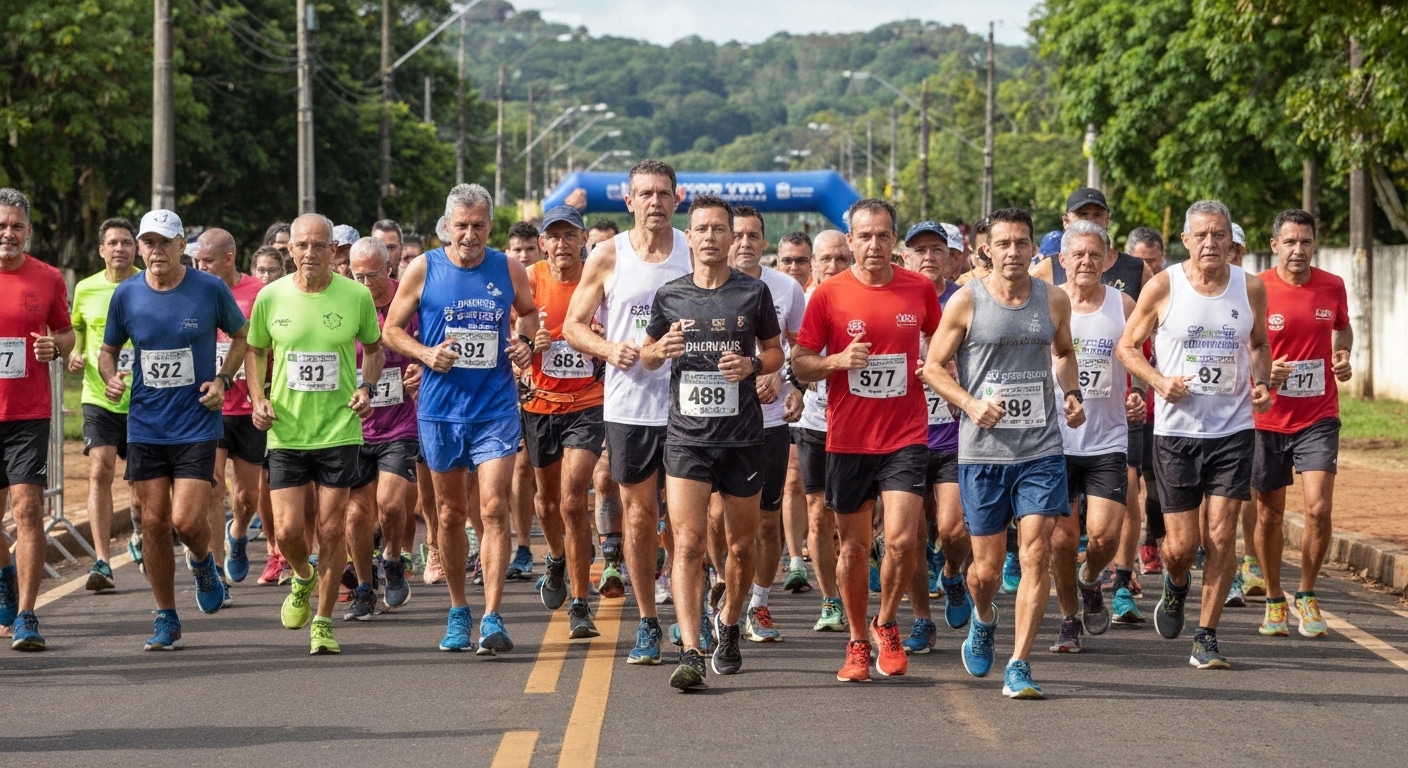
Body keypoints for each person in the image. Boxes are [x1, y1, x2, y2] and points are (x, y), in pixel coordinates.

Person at [922, 207, 1085, 699]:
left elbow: (1063, 353)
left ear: (1034, 247)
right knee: (987, 572)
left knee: (1036, 552)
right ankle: (985, 615)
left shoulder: (1053, 300)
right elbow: (932, 367)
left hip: (1041, 449)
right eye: (1004, 243)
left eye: (1022, 243)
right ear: (985, 250)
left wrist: (1072, 395)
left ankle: (1019, 663)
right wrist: (971, 403)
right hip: (983, 453)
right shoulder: (967, 302)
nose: (1013, 252)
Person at [1116, 199, 1278, 670]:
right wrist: (1159, 381)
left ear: (1232, 241)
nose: (1211, 243)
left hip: (1233, 431)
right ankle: (1176, 581)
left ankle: (1206, 636)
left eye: (1219, 234)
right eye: (1201, 235)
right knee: (1182, 546)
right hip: (1176, 434)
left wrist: (1263, 382)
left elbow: (1260, 344)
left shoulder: (1250, 288)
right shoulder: (1164, 286)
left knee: (1222, 537)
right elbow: (1128, 347)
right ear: (1185, 241)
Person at [383, 184, 536, 655]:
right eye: (461, 226)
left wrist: (525, 343)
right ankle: (457, 610)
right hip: (440, 410)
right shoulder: (424, 267)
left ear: (490, 227)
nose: (469, 235)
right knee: (448, 514)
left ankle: (492, 615)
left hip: (493, 407)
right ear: (447, 226)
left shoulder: (507, 267)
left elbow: (528, 314)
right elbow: (390, 329)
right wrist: (426, 353)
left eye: (478, 226)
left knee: (492, 509)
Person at [794, 198, 942, 683]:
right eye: (864, 236)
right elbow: (800, 362)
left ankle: (887, 623)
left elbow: (944, 346)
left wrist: (941, 368)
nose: (874, 244)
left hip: (905, 435)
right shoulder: (827, 295)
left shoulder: (920, 290)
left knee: (901, 540)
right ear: (850, 239)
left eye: (883, 235)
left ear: (893, 240)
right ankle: (858, 639)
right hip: (849, 438)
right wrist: (836, 362)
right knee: (854, 549)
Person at [640, 194, 783, 690]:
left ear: (730, 237)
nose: (710, 238)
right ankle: (691, 650)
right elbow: (649, 356)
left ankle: (727, 627)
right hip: (687, 438)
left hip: (742, 438)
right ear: (690, 235)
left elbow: (774, 352)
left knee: (741, 548)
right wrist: (660, 347)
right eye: (701, 229)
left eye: (719, 229)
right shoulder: (670, 294)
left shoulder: (753, 293)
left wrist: (752, 366)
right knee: (688, 543)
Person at [562, 159, 692, 665]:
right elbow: (573, 325)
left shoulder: (692, 249)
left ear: (676, 199)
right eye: (646, 194)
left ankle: (689, 614)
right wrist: (606, 347)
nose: (655, 202)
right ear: (629, 200)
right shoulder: (606, 254)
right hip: (630, 404)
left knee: (687, 522)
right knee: (639, 516)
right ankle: (647, 621)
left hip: (688, 404)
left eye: (664, 193)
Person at [101, 209, 249, 650]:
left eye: (164, 242)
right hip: (146, 423)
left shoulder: (208, 289)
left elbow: (242, 338)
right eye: (148, 242)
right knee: (152, 522)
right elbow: (108, 350)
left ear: (182, 244)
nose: (155, 250)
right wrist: (110, 376)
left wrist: (223, 379)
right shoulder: (126, 295)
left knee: (186, 521)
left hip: (196, 423)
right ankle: (166, 615)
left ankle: (203, 561)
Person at [245, 213, 384, 655]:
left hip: (339, 429)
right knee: (287, 530)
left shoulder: (356, 295)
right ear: (291, 250)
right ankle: (302, 576)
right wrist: (258, 398)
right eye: (302, 245)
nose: (309, 254)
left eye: (319, 246)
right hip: (286, 430)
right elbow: (254, 350)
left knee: (330, 528)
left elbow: (376, 349)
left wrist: (366, 386)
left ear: (332, 251)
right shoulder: (270, 297)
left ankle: (322, 622)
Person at [1045, 222, 1146, 653]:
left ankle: (1090, 581)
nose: (1086, 262)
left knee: (1105, 536)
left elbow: (1140, 353)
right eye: (1077, 255)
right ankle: (1069, 620)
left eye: (1094, 254)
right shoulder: (1046, 303)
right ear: (1062, 260)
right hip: (1054, 441)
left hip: (1107, 439)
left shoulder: (1123, 304)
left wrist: (1139, 391)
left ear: (1107, 260)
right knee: (1062, 539)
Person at [1253, 209, 1350, 638]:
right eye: (1289, 242)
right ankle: (1275, 599)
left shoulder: (1332, 286)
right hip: (1267, 417)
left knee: (1318, 508)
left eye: (1305, 242)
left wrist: (1343, 356)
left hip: (1319, 414)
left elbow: (1342, 331)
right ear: (1275, 245)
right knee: (1269, 515)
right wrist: (1264, 374)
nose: (1298, 250)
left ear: (1315, 244)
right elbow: (1243, 345)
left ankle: (1307, 593)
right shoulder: (1255, 288)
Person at [518, 206, 606, 638]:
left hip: (589, 404)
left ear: (583, 239)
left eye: (569, 235)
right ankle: (555, 558)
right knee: (547, 504)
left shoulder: (598, 277)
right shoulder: (531, 279)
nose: (561, 244)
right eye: (553, 236)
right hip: (540, 404)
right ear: (542, 243)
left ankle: (580, 603)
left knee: (574, 501)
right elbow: (509, 332)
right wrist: (524, 343)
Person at [724, 206, 805, 644]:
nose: (744, 243)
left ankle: (757, 604)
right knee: (719, 520)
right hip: (715, 423)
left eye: (753, 236)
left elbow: (804, 349)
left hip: (769, 423)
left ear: (765, 242)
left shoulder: (786, 288)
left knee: (767, 522)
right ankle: (724, 595)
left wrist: (788, 380)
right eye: (738, 234)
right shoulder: (706, 284)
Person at [0, 188, 76, 650]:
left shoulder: (46, 278)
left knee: (28, 509)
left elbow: (65, 335)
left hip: (28, 414)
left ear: (28, 231)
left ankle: (28, 614)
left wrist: (55, 348)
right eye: (1, 226)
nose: (7, 234)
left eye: (15, 226)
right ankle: (6, 574)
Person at [897, 221, 972, 655]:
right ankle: (923, 620)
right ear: (904, 256)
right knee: (908, 535)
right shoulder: (893, 293)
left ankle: (952, 574)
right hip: (903, 434)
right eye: (919, 249)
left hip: (953, 432)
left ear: (951, 256)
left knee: (953, 528)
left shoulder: (965, 299)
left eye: (937, 249)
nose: (928, 256)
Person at [345, 237, 420, 617]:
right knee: (357, 513)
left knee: (390, 504)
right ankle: (362, 585)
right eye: (356, 275)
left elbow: (428, 342)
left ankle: (391, 556)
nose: (363, 283)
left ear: (388, 268)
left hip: (400, 424)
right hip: (354, 426)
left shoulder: (407, 301)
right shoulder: (344, 302)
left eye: (371, 275)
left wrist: (420, 367)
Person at [70, 217, 142, 591]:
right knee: (100, 468)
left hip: (145, 399)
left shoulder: (149, 284)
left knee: (141, 484)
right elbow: (77, 330)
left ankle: (139, 532)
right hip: (98, 396)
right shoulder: (85, 289)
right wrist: (78, 353)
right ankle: (102, 560)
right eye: (112, 242)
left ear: (136, 248)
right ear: (101, 250)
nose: (119, 248)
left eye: (126, 242)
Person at [192, 228, 265, 595]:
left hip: (249, 408)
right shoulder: (193, 290)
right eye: (196, 261)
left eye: (207, 261)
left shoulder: (257, 292)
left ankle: (238, 533)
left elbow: (268, 343)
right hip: (212, 405)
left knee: (247, 497)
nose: (199, 267)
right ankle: (217, 568)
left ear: (229, 259)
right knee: (213, 488)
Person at [792, 230, 852, 633]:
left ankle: (852, 592)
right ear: (812, 263)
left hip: (860, 427)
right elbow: (789, 357)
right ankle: (831, 599)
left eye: (840, 260)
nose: (832, 267)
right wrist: (795, 385)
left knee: (849, 520)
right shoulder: (804, 302)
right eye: (825, 260)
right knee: (818, 516)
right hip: (815, 423)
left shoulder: (865, 296)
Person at [504, 219, 544, 581]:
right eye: (516, 250)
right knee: (520, 468)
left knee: (552, 478)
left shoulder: (553, 278)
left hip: (561, 393)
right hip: (515, 391)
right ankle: (523, 548)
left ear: (540, 248)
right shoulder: (502, 285)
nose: (523, 255)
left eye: (529, 249)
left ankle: (562, 545)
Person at [1125, 226, 1166, 577]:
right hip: (1125, 408)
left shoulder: (1171, 292)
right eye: (1141, 262)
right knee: (1127, 484)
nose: (1148, 269)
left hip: (1162, 407)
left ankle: (1151, 538)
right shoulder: (1119, 302)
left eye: (1153, 261)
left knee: (1153, 484)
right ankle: (1122, 566)